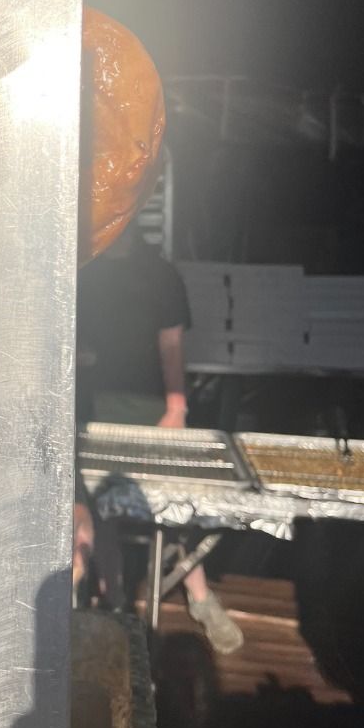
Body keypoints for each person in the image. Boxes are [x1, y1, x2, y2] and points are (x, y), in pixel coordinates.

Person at [72, 224, 243, 653]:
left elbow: (171, 346)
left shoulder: (160, 273)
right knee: (102, 507)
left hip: (152, 409)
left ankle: (200, 598)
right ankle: (114, 603)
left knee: (176, 507)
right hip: (95, 409)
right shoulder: (82, 270)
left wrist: (176, 407)